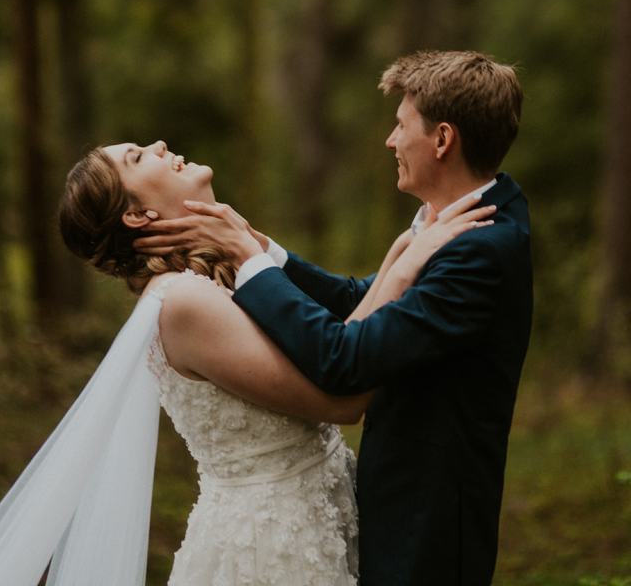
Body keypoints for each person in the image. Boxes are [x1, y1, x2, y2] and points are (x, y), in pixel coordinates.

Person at [0, 135, 491, 586]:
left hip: (318, 518)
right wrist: (407, 268)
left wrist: (402, 250)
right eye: (138, 157)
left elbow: (333, 340)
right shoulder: (183, 301)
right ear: (137, 215)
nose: (159, 145)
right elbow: (339, 397)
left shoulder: (213, 276)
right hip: (269, 549)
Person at [135, 50, 532, 586]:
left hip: (428, 525)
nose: (390, 141)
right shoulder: (459, 221)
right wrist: (261, 249)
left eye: (401, 126)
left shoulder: (477, 247)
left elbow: (344, 359)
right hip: (389, 509)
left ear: (442, 140)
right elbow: (357, 301)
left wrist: (247, 261)